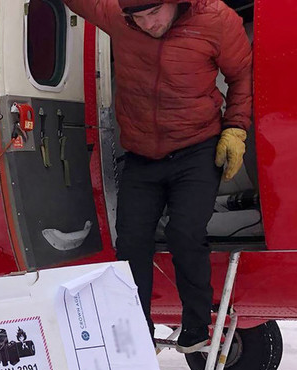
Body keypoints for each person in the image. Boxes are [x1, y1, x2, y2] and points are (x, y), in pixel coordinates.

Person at [62, 0, 252, 352]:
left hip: (197, 147)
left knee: (185, 232)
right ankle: (138, 328)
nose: (148, 24)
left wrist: (236, 127)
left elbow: (242, 74)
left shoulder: (215, 19)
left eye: (154, 13)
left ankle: (197, 325)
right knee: (131, 241)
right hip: (142, 156)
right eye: (138, 17)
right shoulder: (117, 17)